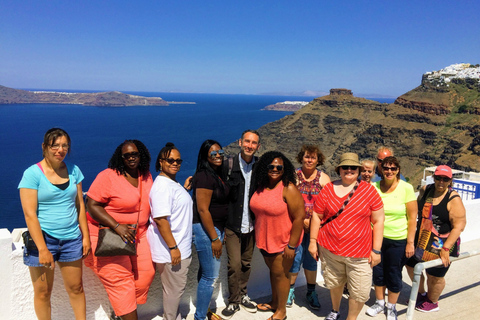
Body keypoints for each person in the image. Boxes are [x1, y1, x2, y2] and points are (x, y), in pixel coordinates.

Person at [19, 128, 90, 320]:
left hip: (72, 239)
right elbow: (30, 214)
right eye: (55, 145)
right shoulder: (32, 174)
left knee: (76, 288)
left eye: (64, 145)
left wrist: (86, 237)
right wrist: (42, 248)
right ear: (44, 147)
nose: (60, 149)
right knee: (43, 292)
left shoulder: (74, 171)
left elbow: (80, 206)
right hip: (44, 239)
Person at [84, 140, 155, 320]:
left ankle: (122, 311)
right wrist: (117, 226)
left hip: (138, 234)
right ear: (120, 157)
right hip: (108, 235)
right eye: (127, 155)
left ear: (141, 155)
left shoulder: (145, 176)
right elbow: (91, 204)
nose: (131, 158)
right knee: (121, 283)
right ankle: (126, 313)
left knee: (145, 276)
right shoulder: (108, 176)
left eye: (135, 154)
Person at [309, 152, 384, 320]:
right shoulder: (328, 189)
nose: (349, 170)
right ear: (339, 169)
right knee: (335, 283)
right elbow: (316, 215)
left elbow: (379, 220)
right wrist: (313, 241)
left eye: (353, 168)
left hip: (360, 254)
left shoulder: (369, 191)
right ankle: (335, 310)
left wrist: (377, 250)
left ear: (358, 170)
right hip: (330, 249)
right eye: (345, 167)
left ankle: (351, 318)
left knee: (360, 291)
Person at [250, 151, 305, 320]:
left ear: (284, 168)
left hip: (283, 242)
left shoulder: (288, 188)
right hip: (265, 240)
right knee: (274, 273)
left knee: (281, 275)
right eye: (271, 166)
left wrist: (291, 245)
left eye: (279, 167)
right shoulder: (261, 186)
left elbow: (299, 218)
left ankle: (281, 311)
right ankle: (274, 303)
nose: (275, 169)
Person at [405, 165, 466, 313]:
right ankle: (420, 293)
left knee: (434, 275)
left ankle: (432, 301)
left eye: (445, 179)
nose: (441, 182)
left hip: (441, 244)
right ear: (434, 177)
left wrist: (446, 249)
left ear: (450, 180)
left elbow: (459, 226)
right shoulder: (426, 190)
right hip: (421, 240)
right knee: (411, 266)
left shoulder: (453, 199)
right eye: (438, 178)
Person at [366, 156, 417, 320]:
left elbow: (412, 217)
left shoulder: (406, 188)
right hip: (377, 239)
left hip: (398, 239)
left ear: (398, 170)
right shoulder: (374, 187)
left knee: (393, 273)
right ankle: (380, 303)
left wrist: (410, 243)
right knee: (378, 272)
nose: (389, 171)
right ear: (381, 169)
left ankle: (392, 307)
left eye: (393, 168)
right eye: (386, 168)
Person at [147, 143, 193, 320]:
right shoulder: (162, 187)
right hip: (172, 251)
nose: (175, 163)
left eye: (178, 160)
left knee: (174, 289)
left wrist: (184, 189)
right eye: (170, 160)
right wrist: (173, 248)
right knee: (174, 291)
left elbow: (173, 207)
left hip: (177, 247)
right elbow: (160, 220)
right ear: (161, 162)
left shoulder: (171, 183)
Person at [221, 130, 260, 319]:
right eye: (247, 141)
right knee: (234, 265)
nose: (249, 145)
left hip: (251, 226)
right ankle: (234, 301)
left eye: (253, 143)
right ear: (240, 142)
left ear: (258, 146)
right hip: (232, 226)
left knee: (246, 263)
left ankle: (244, 295)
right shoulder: (228, 164)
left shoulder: (260, 167)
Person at [287, 145, 331, 310]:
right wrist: (301, 220)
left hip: (316, 227)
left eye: (313, 157)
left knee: (312, 260)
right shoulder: (294, 176)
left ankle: (311, 292)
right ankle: (290, 290)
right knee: (295, 258)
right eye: (307, 157)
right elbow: (287, 200)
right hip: (296, 225)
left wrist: (315, 223)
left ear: (318, 160)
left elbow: (329, 203)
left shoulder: (323, 178)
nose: (310, 160)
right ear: (301, 157)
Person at [191, 139, 231, 320]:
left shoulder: (216, 174)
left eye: (220, 152)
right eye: (213, 153)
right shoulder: (204, 176)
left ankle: (204, 311)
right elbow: (202, 209)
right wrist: (215, 238)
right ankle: (199, 317)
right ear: (205, 156)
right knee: (210, 277)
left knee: (205, 273)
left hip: (215, 229)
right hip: (207, 230)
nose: (217, 156)